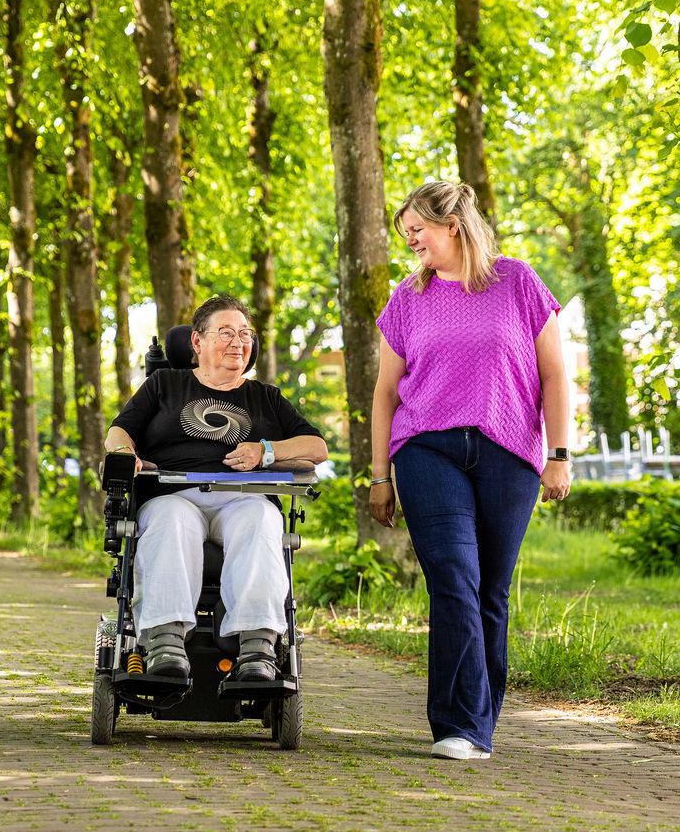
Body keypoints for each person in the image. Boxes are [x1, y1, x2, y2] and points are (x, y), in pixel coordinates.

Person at [369, 181, 572, 761]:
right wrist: (380, 476)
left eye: (417, 230)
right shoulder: (407, 300)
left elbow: (555, 375)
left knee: (490, 590)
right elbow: (385, 394)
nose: (410, 241)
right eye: (405, 233)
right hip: (427, 450)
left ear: (452, 224)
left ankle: (481, 721)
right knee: (454, 580)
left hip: (509, 453)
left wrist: (559, 455)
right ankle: (459, 726)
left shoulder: (518, 282)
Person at [105, 295, 327, 683]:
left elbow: (316, 448)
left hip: (243, 498)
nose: (238, 342)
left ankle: (257, 647)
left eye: (245, 334)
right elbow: (119, 430)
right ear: (196, 342)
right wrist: (127, 453)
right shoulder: (165, 384)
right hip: (173, 494)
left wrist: (267, 451)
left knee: (261, 517)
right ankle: (165, 643)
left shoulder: (265, 397)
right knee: (171, 518)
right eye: (226, 333)